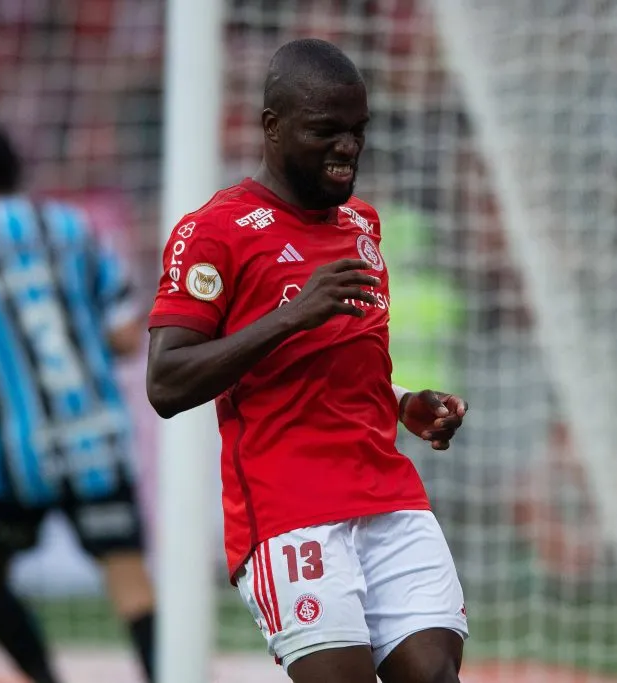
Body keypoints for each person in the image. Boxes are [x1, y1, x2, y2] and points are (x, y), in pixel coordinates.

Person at [146, 39, 469, 683]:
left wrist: (401, 402)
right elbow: (166, 381)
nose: (347, 148)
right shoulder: (214, 232)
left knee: (434, 677)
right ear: (272, 126)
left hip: (388, 493)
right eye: (326, 131)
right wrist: (293, 313)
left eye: (357, 131)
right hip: (289, 511)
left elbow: (338, 362)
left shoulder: (362, 226)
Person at [0, 116, 155, 683]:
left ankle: (44, 677)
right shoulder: (72, 227)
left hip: (16, 458)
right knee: (130, 583)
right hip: (96, 439)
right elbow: (123, 335)